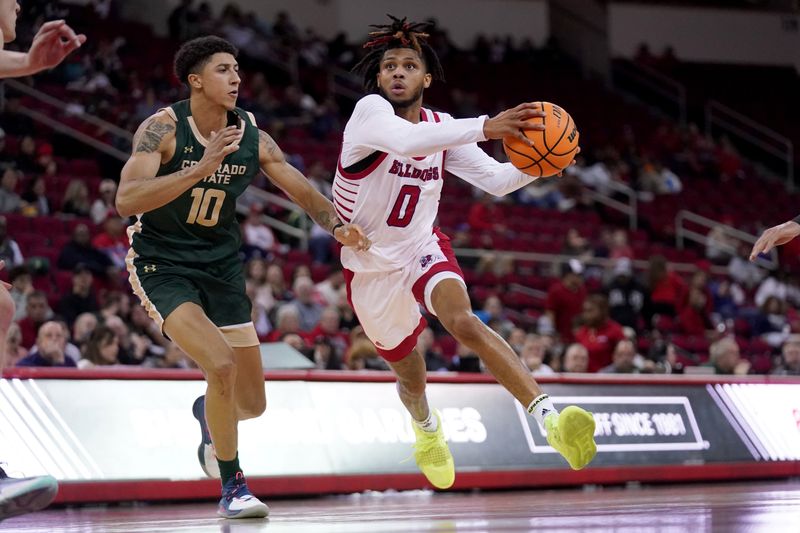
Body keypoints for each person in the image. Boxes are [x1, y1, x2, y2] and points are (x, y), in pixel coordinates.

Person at [335, 16, 596, 490]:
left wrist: (544, 163)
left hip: (421, 247)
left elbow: (496, 181)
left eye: (409, 65)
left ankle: (550, 419)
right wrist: (486, 125)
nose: (397, 72)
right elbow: (409, 141)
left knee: (464, 322)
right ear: (378, 78)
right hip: (370, 267)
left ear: (425, 78)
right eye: (389, 65)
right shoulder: (369, 112)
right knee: (412, 378)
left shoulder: (441, 126)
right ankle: (427, 429)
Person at [115, 36, 369, 519]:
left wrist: (338, 226)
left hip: (222, 268)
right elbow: (127, 200)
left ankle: (207, 417)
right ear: (195, 80)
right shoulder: (162, 129)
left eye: (237, 70)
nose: (236, 78)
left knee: (252, 404)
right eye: (223, 70)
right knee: (220, 364)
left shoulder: (251, 133)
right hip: (163, 263)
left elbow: (299, 187)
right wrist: (203, 167)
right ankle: (233, 486)